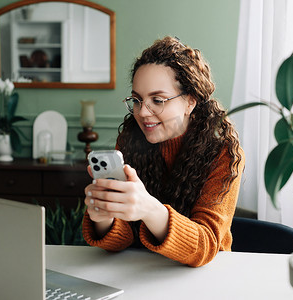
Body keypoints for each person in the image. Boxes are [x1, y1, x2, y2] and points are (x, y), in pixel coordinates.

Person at [82, 36, 245, 267]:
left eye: (157, 100)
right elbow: (122, 240)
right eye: (137, 100)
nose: (143, 112)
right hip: (140, 274)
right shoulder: (129, 141)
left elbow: (206, 245)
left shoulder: (223, 153)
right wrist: (104, 217)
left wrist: (148, 208)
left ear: (190, 101)